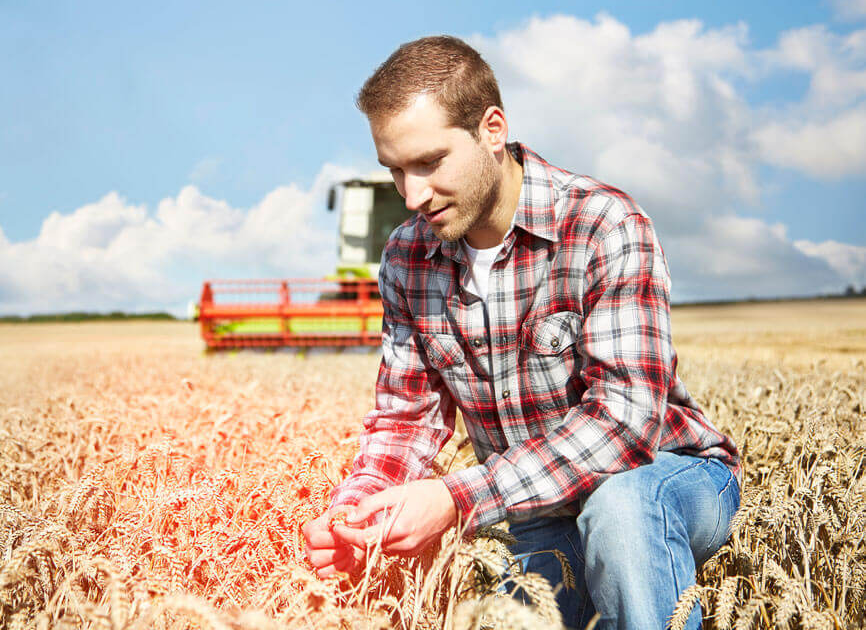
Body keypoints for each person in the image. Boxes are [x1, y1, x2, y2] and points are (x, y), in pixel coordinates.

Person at [299, 35, 741, 630]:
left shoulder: (605, 225)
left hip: (665, 476)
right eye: (395, 170)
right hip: (536, 509)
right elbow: (406, 420)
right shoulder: (406, 257)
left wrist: (458, 500)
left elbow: (624, 421)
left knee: (619, 509)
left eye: (430, 162)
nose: (412, 194)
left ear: (492, 128)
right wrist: (355, 514)